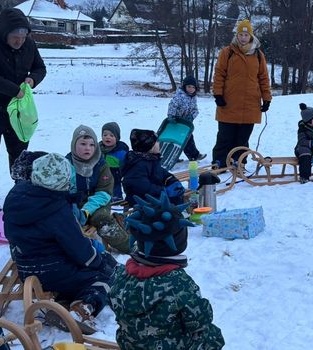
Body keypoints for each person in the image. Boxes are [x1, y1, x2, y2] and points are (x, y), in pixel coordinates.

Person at [3, 153, 117, 335]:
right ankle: (82, 309)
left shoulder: (16, 197)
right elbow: (78, 249)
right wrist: (99, 260)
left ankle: (62, 305)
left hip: (26, 265)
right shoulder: (56, 208)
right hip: (55, 270)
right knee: (104, 276)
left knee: (79, 275)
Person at [110, 193, 224, 350]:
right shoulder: (178, 283)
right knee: (213, 336)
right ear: (178, 243)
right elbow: (199, 320)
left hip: (130, 344)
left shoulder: (122, 275)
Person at [0, 8, 47, 212]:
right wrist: (15, 90)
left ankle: (20, 189)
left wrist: (33, 79)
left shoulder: (29, 44)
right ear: (5, 32)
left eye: (23, 36)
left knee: (19, 151)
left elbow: (40, 68)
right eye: (15, 37)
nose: (20, 41)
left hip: (18, 109)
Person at [211, 19, 272, 169]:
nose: (243, 37)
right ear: (236, 35)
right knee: (225, 136)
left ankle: (240, 162)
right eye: (241, 34)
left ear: (250, 36)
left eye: (246, 34)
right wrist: (218, 94)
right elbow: (219, 74)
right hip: (229, 102)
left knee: (242, 138)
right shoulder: (227, 52)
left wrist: (266, 98)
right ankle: (219, 161)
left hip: (250, 104)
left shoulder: (258, 55)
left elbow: (263, 78)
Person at [66, 125, 128, 253]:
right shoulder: (66, 165)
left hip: (97, 204)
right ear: (73, 144)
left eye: (91, 145)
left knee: (101, 218)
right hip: (72, 204)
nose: (87, 148)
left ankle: (128, 244)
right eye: (83, 144)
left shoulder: (100, 165)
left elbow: (104, 192)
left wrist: (86, 211)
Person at [121, 129, 186, 206]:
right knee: (170, 202)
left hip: (154, 198)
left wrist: (171, 180)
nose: (159, 144)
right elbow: (140, 186)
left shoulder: (151, 159)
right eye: (157, 142)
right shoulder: (138, 164)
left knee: (177, 197)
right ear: (150, 146)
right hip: (143, 202)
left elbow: (161, 172)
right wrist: (162, 190)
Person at [167, 76, 204, 162]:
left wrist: (192, 116)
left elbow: (195, 110)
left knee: (188, 139)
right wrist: (171, 116)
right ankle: (171, 157)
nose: (191, 89)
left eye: (193, 87)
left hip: (186, 124)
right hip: (176, 122)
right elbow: (172, 105)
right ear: (184, 87)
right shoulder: (179, 96)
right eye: (189, 87)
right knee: (174, 140)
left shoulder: (193, 98)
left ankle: (194, 155)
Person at [100, 122, 129, 201]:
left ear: (117, 138)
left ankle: (117, 205)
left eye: (111, 135)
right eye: (105, 135)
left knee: (116, 198)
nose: (107, 137)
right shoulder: (98, 149)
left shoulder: (120, 152)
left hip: (115, 180)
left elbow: (126, 166)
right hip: (100, 180)